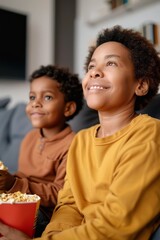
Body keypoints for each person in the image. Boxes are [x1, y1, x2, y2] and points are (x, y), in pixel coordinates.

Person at [0, 25, 160, 240]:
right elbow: (68, 205)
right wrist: (51, 235)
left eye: (111, 63)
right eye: (92, 66)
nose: (94, 71)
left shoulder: (149, 135)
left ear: (140, 85)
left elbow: (117, 226)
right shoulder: (82, 140)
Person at [0, 65, 83, 237]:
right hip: (18, 200)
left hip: (44, 213)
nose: (35, 103)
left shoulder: (73, 145)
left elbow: (61, 194)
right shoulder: (30, 138)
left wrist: (14, 184)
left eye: (47, 97)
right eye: (32, 97)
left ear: (68, 108)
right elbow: (22, 175)